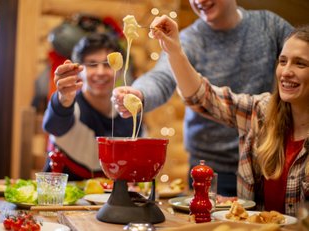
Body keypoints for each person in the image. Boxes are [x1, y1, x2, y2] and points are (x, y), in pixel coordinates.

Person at [112, 0, 293, 196]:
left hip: (267, 162)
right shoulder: (189, 39)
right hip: (209, 168)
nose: (199, 1)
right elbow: (161, 77)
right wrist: (139, 94)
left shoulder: (269, 25)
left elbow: (302, 54)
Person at [149, 15, 309, 216]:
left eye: (300, 64)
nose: (286, 72)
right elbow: (202, 97)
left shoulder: (267, 24)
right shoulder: (262, 111)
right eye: (283, 61)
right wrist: (174, 50)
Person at [42, 32, 142, 181]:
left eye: (108, 64)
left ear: (120, 71)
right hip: (64, 200)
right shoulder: (70, 105)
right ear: (79, 70)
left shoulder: (128, 113)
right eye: (92, 64)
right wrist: (63, 98)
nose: (100, 72)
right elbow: (53, 126)